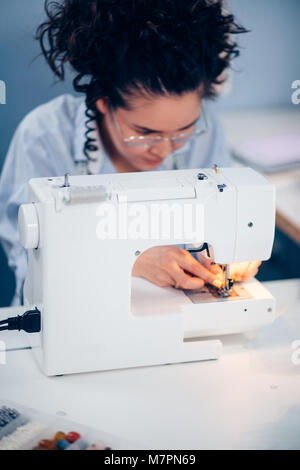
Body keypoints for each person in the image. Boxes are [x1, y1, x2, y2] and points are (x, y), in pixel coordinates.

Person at [0, 0, 260, 306]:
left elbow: (226, 215)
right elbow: (30, 265)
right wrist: (130, 264)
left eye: (182, 131)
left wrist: (235, 251)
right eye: (146, 133)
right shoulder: (45, 137)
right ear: (103, 102)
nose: (164, 150)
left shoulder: (208, 132)